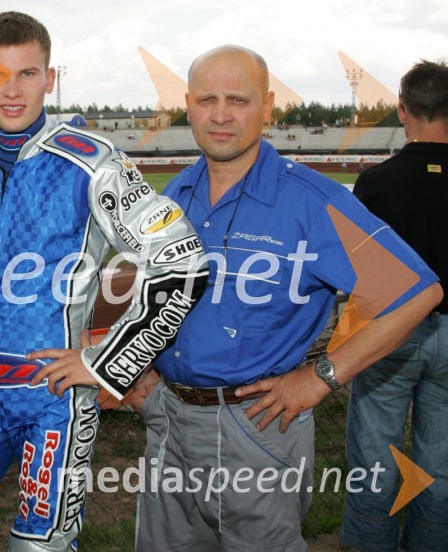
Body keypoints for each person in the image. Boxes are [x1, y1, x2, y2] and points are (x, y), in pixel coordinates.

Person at [132, 45, 442, 551]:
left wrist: (322, 377)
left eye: (239, 99)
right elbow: (154, 302)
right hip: (168, 422)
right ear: (187, 106)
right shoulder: (170, 201)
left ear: (269, 107)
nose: (221, 113)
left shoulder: (313, 201)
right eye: (207, 98)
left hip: (255, 427)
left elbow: (416, 293)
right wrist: (142, 369)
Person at [0, 11, 207, 551]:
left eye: (27, 74)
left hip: (53, 396)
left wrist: (106, 363)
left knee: (39, 548)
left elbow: (181, 260)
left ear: (50, 79)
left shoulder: (94, 163)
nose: (11, 90)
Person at [341, 59, 448, 552]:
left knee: (374, 466)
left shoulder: (376, 182)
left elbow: (357, 272)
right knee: (440, 470)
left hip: (390, 336)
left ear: (402, 109)